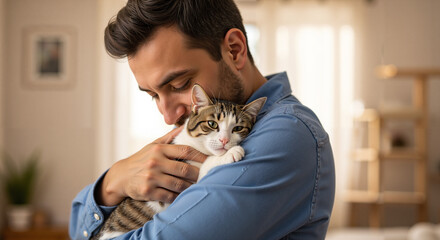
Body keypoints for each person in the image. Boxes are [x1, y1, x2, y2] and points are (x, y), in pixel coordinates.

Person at [69, 0, 335, 239]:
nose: (168, 117)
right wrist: (112, 183)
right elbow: (77, 229)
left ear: (234, 50)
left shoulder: (285, 135)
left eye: (180, 84)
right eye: (153, 95)